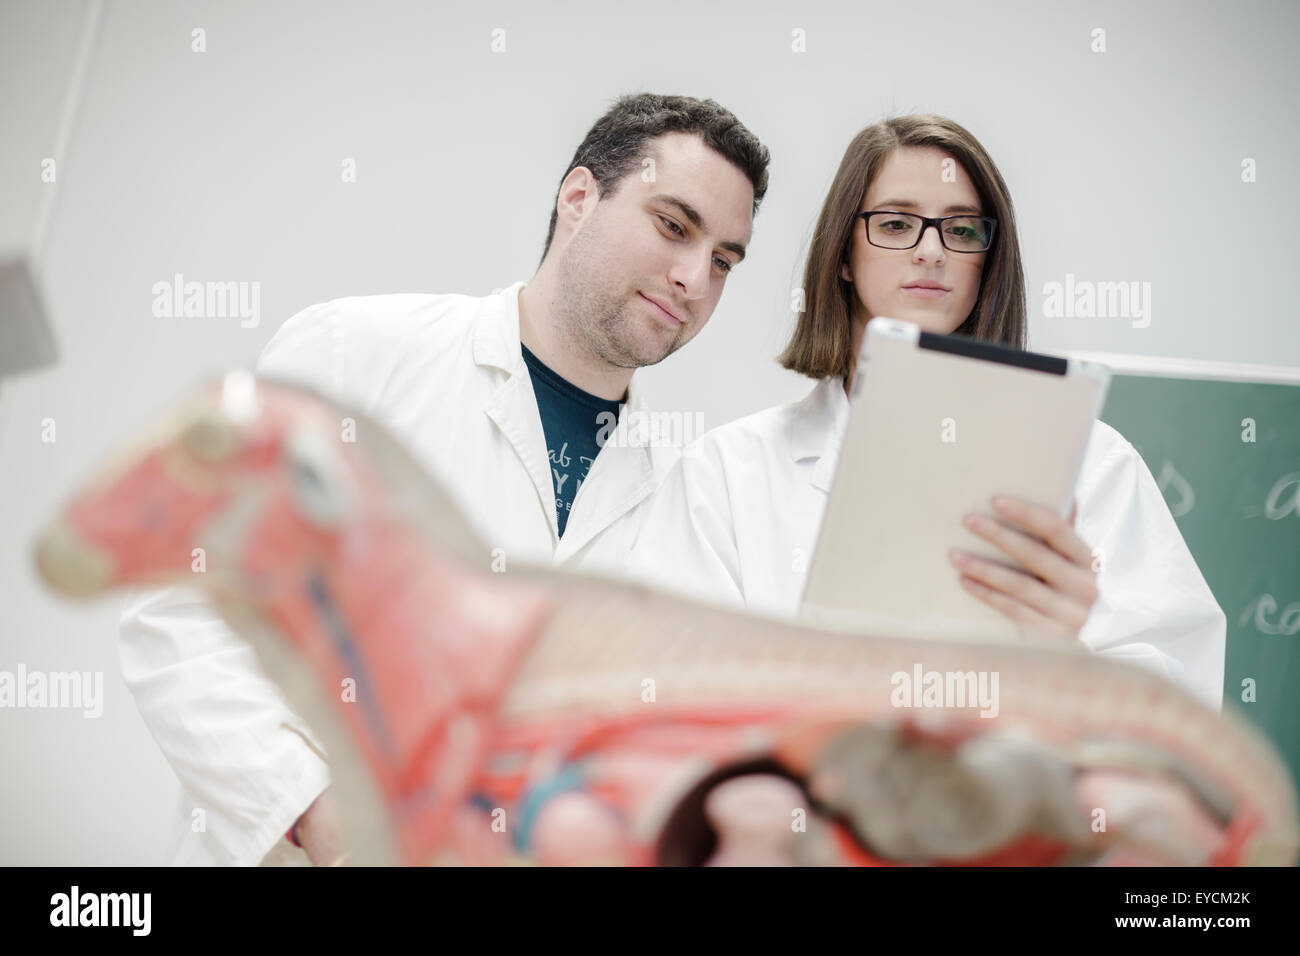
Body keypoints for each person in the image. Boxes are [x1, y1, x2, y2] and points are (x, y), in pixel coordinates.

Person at [118, 92, 770, 865]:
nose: (695, 277)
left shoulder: (687, 498)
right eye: (673, 225)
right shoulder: (355, 359)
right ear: (579, 197)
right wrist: (323, 817)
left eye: (724, 260)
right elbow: (189, 618)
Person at [629, 114, 1226, 713]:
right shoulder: (726, 474)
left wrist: (1061, 657)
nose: (932, 251)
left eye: (962, 231)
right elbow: (671, 702)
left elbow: (1184, 719)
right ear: (843, 253)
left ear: (986, 263)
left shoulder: (1094, 466)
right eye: (896, 224)